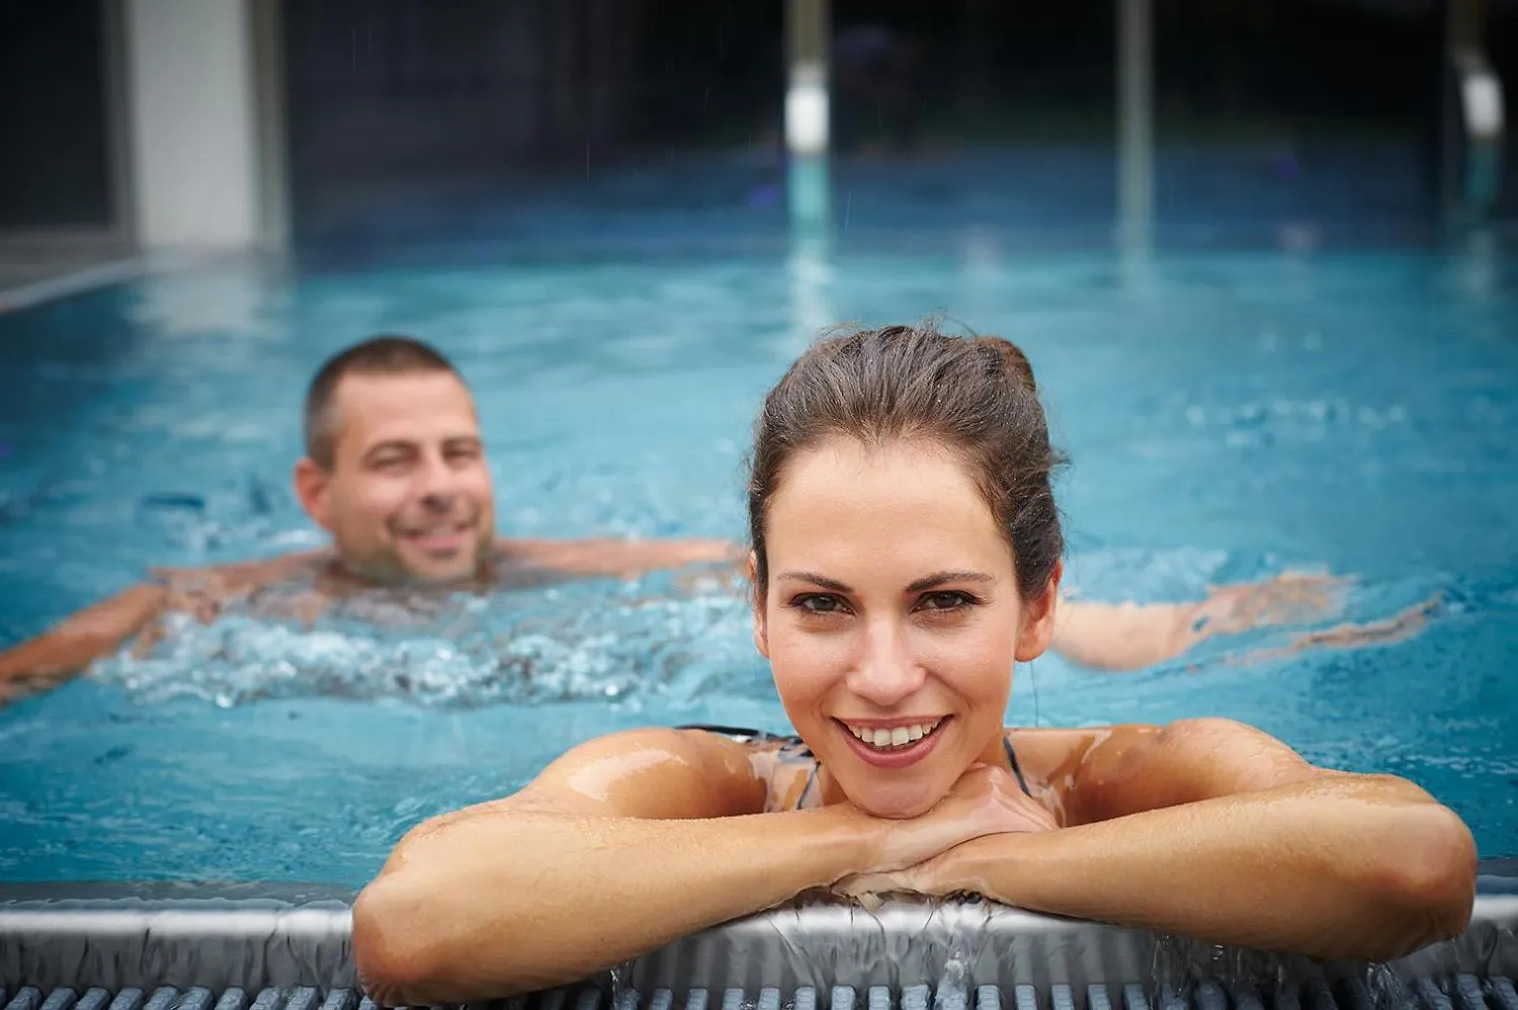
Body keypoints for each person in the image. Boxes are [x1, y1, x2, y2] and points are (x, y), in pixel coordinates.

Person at [350, 324, 1477, 1005]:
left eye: (943, 602)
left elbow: (1414, 863)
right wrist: (866, 837)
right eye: (822, 605)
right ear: (756, 608)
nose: (883, 676)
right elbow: (414, 926)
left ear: (1039, 606)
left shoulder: (1119, 780)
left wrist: (988, 860)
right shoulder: (700, 782)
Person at [0, 335, 739, 701]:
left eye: (460, 453)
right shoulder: (239, 601)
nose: (440, 487)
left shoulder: (550, 568)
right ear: (316, 494)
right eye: (394, 461)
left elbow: (736, 563)